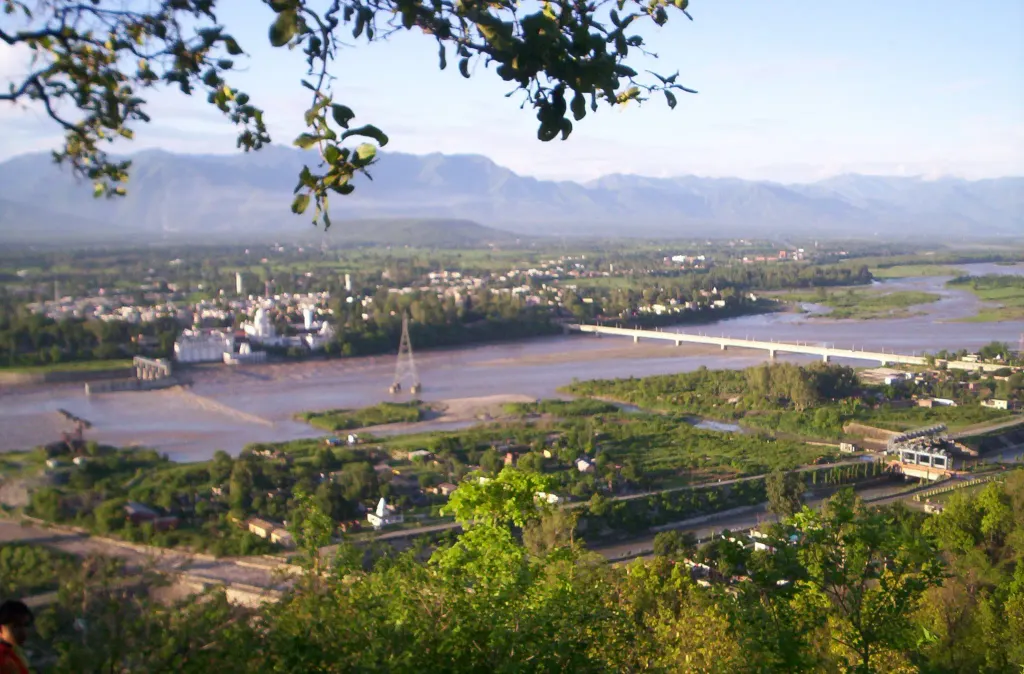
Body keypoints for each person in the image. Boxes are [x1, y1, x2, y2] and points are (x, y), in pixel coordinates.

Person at [0, 600, 32, 674]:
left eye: (25, 625)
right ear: (1, 629)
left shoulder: (14, 653)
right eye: (15, 626)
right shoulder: (3, 657)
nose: (22, 631)